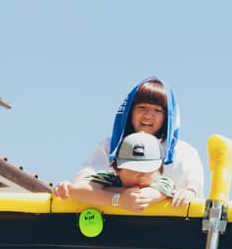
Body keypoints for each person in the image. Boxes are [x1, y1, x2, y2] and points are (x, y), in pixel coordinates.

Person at [74, 78, 202, 207]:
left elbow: (193, 184)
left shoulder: (182, 151)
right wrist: (120, 199)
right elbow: (81, 183)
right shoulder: (111, 146)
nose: (148, 115)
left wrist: (189, 192)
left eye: (157, 110)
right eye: (142, 107)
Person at [54, 132, 180, 211]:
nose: (141, 175)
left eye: (148, 170)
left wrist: (104, 192)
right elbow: (76, 190)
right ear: (117, 169)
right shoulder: (110, 178)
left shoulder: (163, 182)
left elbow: (140, 197)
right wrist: (118, 200)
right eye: (134, 169)